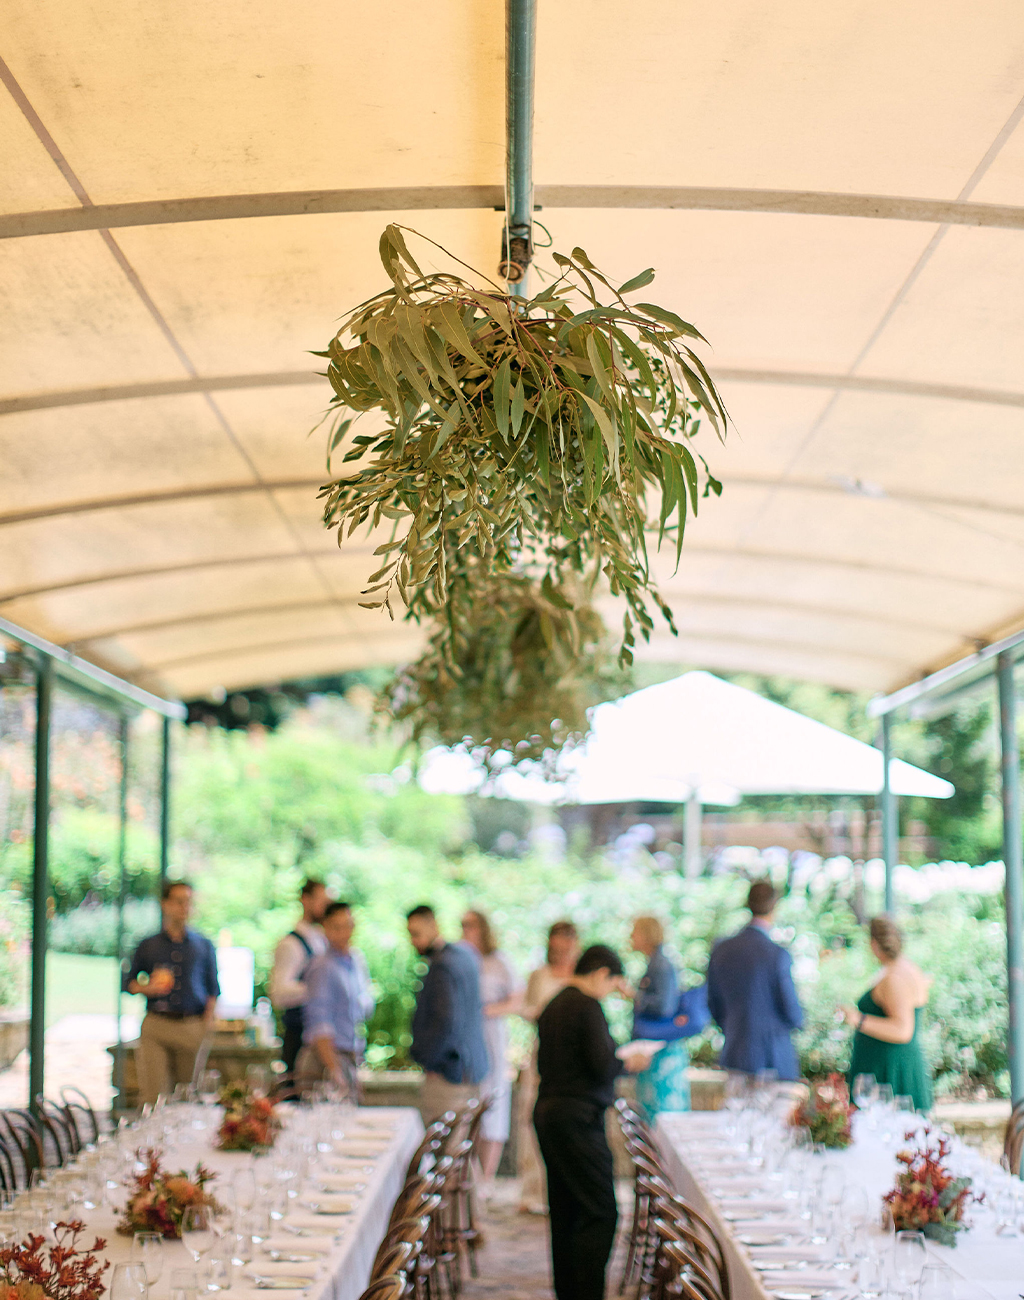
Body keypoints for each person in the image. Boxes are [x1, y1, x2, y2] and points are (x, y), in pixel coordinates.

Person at [534, 944, 647, 1300]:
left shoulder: (556, 1002)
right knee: (601, 1211)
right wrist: (628, 1061)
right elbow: (602, 1065)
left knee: (565, 1209)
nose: (612, 992)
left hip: (550, 1112)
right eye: (613, 985)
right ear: (600, 974)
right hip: (576, 1119)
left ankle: (568, 1291)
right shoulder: (585, 1006)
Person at [124, 879, 220, 1105]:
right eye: (178, 902)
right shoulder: (148, 945)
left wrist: (207, 1026)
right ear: (165, 904)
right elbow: (128, 983)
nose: (184, 908)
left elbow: (212, 989)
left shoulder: (204, 945)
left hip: (192, 1025)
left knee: (188, 1096)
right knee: (154, 1096)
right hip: (158, 1023)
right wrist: (149, 988)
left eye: (188, 902)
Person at [706, 880, 803, 1080]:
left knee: (737, 1109)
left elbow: (712, 1003)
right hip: (773, 1056)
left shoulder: (722, 949)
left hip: (734, 1051)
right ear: (774, 907)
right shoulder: (777, 954)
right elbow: (792, 1011)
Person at [519, 920, 581, 1215]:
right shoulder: (538, 976)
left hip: (572, 1061)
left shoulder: (582, 977)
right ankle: (534, 1190)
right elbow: (528, 1009)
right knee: (533, 1118)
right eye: (557, 942)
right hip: (542, 1055)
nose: (562, 949)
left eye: (567, 942)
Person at [841, 915, 933, 1112]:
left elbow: (902, 1030)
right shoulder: (906, 968)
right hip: (893, 1064)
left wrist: (859, 1020)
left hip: (889, 1071)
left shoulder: (894, 978)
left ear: (874, 944)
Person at [406, 904, 489, 1125]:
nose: (412, 941)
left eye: (416, 933)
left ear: (433, 926)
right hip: (471, 1069)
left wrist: (430, 1061)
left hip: (449, 1074)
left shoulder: (442, 965)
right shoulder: (466, 955)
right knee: (461, 1149)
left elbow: (446, 1020)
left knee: (446, 1152)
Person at [460, 909, 524, 1187]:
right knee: (469, 1103)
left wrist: (488, 1010)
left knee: (495, 1104)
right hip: (468, 1037)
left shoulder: (499, 961)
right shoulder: (462, 959)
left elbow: (517, 1000)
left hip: (492, 1035)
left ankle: (486, 1179)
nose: (466, 930)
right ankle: (469, 1175)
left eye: (471, 925)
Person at [295, 901, 375, 1098]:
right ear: (325, 929)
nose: (344, 933)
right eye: (336, 927)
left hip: (348, 1056)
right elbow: (319, 1023)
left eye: (348, 926)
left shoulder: (355, 962)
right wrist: (335, 1070)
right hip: (325, 1059)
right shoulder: (322, 967)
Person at [630, 915, 690, 1117]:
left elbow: (665, 1006)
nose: (630, 937)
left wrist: (635, 997)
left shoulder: (661, 965)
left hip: (661, 1048)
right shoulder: (655, 963)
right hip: (657, 1047)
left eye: (635, 932)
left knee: (662, 1114)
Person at [270, 878, 329, 1081]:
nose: (326, 907)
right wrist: (318, 990)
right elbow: (278, 993)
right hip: (300, 1037)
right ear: (305, 900)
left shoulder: (324, 941)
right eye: (322, 901)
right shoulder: (292, 944)